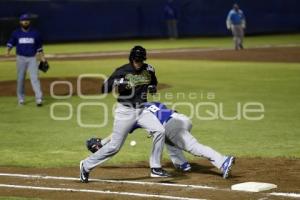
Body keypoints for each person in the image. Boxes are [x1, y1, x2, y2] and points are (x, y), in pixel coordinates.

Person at [80, 46, 169, 183]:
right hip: (125, 111)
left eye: (140, 61)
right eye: (136, 61)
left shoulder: (149, 69)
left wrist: (152, 88)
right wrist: (119, 83)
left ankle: (155, 168)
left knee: (160, 131)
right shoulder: (122, 71)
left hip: (142, 110)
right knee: (114, 147)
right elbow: (104, 88)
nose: (138, 63)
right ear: (132, 59)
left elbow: (154, 84)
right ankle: (86, 165)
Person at [90, 102, 235, 179]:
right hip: (182, 119)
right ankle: (182, 164)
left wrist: (101, 143)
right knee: (167, 138)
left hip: (172, 125)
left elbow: (118, 134)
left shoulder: (136, 113)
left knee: (193, 146)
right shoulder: (151, 103)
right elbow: (169, 113)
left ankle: (223, 161)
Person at [6, 13, 46, 106]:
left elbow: (39, 48)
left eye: (27, 20)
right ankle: (21, 98)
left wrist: (43, 58)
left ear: (29, 21)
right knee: (20, 79)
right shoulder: (16, 33)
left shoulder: (36, 33)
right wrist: (8, 51)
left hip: (33, 58)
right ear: (20, 22)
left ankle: (39, 98)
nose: (25, 22)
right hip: (21, 58)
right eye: (23, 20)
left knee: (35, 78)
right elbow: (11, 43)